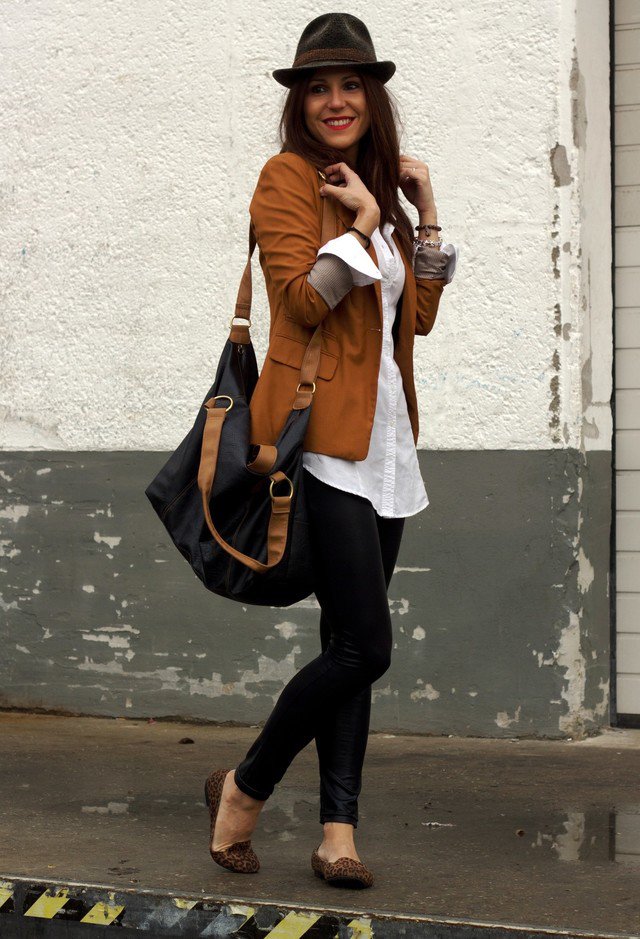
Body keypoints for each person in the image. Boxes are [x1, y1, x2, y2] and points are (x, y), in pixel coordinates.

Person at [204, 12, 458, 888]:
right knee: (367, 647)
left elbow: (411, 320)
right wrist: (352, 231)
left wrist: (420, 216)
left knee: (350, 635)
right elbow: (296, 304)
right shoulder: (285, 180)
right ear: (300, 101)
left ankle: (338, 835)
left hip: (387, 444)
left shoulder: (379, 190)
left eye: (352, 85)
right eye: (320, 87)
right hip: (321, 445)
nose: (337, 101)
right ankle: (243, 786)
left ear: (372, 97)